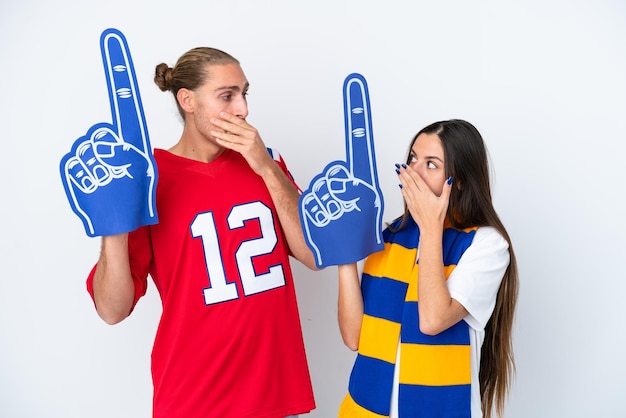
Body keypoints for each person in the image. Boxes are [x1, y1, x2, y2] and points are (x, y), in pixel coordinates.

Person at [86, 46, 317, 418]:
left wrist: (266, 168)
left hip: (273, 394)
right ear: (187, 100)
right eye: (227, 96)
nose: (242, 109)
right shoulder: (148, 181)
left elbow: (314, 255)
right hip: (195, 397)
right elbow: (112, 310)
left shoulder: (267, 163)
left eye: (244, 94)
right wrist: (111, 224)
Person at [336, 119, 518, 418]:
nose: (413, 172)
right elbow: (355, 337)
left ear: (458, 180)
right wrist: (344, 254)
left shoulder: (486, 244)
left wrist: (430, 228)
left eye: (431, 164)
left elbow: (433, 321)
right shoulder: (387, 235)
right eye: (412, 160)